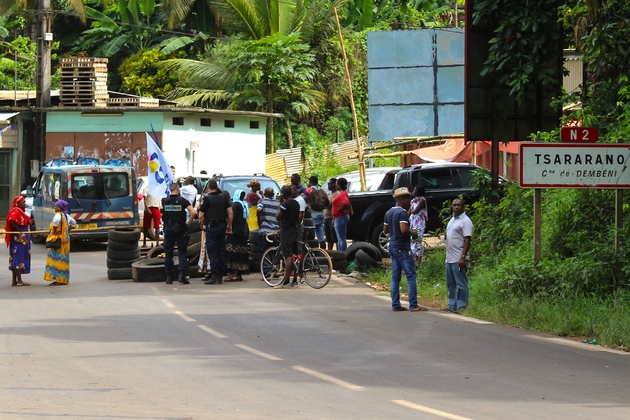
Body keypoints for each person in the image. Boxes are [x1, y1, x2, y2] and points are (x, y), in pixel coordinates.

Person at [383, 187, 427, 312]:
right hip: (402, 247)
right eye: (408, 197)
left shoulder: (389, 212)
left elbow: (385, 230)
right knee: (411, 275)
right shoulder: (402, 213)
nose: (410, 200)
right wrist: (413, 233)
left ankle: (395, 304)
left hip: (392, 246)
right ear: (401, 199)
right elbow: (403, 229)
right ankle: (413, 305)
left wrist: (393, 229)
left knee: (395, 277)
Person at [198, 179, 233, 285]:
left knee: (212, 251)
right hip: (222, 226)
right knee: (221, 250)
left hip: (211, 227)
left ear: (208, 187)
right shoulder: (223, 198)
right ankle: (220, 275)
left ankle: (214, 275)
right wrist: (229, 225)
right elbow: (230, 212)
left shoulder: (207, 199)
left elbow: (200, 215)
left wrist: (203, 223)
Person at [161, 183, 196, 285]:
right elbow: (193, 212)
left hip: (168, 228)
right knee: (182, 252)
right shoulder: (182, 200)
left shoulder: (164, 201)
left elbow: (163, 214)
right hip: (180, 229)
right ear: (178, 189)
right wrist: (189, 222)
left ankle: (168, 277)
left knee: (169, 254)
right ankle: (181, 276)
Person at [444, 198, 473, 313]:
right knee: (451, 283)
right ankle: (452, 305)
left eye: (459, 205)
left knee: (461, 283)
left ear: (463, 207)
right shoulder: (452, 220)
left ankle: (462, 306)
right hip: (449, 258)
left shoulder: (465, 221)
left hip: (459, 258)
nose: (456, 207)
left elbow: (467, 239)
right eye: (454, 205)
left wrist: (463, 256)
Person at [44, 200, 77, 286]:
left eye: (56, 206)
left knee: (56, 260)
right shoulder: (66, 216)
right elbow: (74, 224)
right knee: (64, 260)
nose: (54, 207)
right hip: (65, 241)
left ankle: (57, 279)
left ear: (59, 207)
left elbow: (55, 223)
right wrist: (67, 230)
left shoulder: (58, 215)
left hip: (57, 240)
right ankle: (63, 279)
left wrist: (54, 231)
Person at [274, 185, 302, 289]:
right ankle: (294, 280)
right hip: (294, 230)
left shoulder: (285, 204)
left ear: (283, 194)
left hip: (286, 231)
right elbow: (298, 216)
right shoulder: (296, 203)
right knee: (294, 255)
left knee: (288, 256)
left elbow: (278, 217)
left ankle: (285, 281)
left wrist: (280, 204)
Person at [5, 196, 32, 286]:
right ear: (18, 203)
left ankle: (14, 281)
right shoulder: (15, 211)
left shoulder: (20, 212)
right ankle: (19, 281)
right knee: (17, 258)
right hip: (18, 240)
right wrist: (19, 232)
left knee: (15, 258)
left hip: (22, 239)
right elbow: (12, 220)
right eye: (23, 202)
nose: (24, 204)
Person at [225, 189, 249, 281]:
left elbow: (232, 216)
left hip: (234, 231)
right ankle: (238, 274)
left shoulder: (236, 205)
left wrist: (229, 226)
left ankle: (232, 274)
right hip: (242, 232)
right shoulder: (244, 205)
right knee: (240, 253)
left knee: (232, 253)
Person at [257, 187, 280, 261]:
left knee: (263, 252)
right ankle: (276, 269)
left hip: (265, 231)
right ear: (273, 194)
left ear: (265, 194)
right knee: (275, 252)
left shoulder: (261, 201)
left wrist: (259, 221)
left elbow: (259, 209)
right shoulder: (278, 202)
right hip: (275, 231)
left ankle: (265, 271)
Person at [306, 176, 328, 249]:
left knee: (311, 236)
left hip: (313, 215)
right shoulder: (322, 190)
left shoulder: (309, 190)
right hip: (321, 214)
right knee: (321, 236)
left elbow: (303, 199)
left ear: (310, 182)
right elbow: (328, 202)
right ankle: (324, 252)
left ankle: (312, 253)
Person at [331, 177, 352, 251]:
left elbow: (345, 202)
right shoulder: (343, 193)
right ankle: (341, 251)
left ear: (339, 185)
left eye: (336, 184)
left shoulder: (342, 194)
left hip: (340, 217)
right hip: (338, 217)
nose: (335, 185)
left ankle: (343, 252)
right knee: (340, 237)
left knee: (341, 238)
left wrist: (342, 209)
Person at [408, 186, 428, 263]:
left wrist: (411, 212)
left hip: (419, 222)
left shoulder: (422, 200)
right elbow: (409, 212)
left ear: (419, 192)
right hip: (413, 222)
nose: (413, 191)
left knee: (418, 239)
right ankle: (415, 257)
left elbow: (415, 211)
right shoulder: (413, 201)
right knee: (413, 239)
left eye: (415, 190)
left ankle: (419, 259)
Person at [141, 182, 161, 247]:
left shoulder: (158, 188)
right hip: (149, 208)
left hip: (156, 208)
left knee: (157, 226)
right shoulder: (146, 188)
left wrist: (160, 209)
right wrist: (147, 209)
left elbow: (159, 199)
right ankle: (144, 242)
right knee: (146, 226)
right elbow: (145, 200)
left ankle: (157, 243)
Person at [324, 178, 339, 250]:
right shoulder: (330, 194)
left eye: (329, 184)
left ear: (334, 184)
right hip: (326, 218)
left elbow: (329, 205)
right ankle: (329, 253)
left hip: (332, 218)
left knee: (335, 238)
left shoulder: (337, 195)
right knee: (329, 238)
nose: (328, 185)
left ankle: (339, 253)